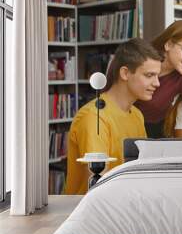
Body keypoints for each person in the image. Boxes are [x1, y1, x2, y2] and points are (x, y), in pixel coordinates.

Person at [65, 38, 163, 194]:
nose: (157, 83)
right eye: (149, 75)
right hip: (91, 211)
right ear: (125, 73)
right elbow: (98, 183)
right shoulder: (94, 117)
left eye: (157, 76)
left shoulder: (137, 115)